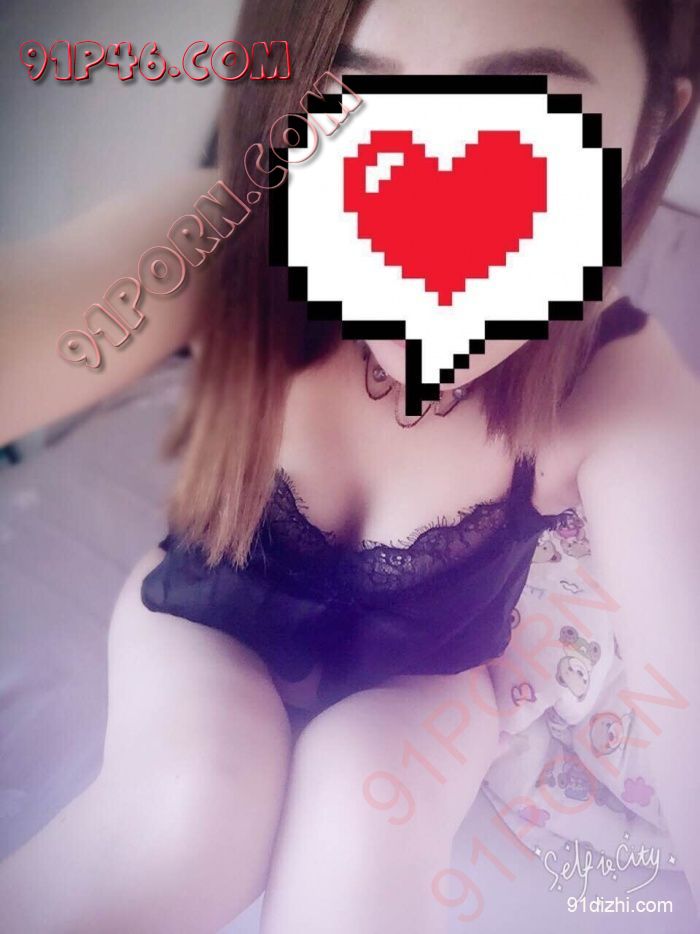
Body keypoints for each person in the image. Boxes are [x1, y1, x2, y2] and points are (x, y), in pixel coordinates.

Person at [0, 1, 699, 931]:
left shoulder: (620, 387)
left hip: (430, 680)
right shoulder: (224, 249)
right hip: (209, 610)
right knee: (187, 818)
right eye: (355, 102)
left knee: (365, 843)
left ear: (646, 132)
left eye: (517, 115)